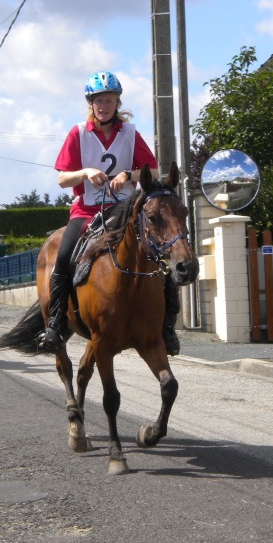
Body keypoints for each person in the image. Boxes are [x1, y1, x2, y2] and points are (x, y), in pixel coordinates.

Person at [39, 70, 181, 356]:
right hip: (86, 212)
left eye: (110, 100)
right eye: (99, 101)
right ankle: (55, 325)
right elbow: (62, 179)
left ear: (118, 104)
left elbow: (153, 171)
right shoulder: (77, 133)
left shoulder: (130, 133)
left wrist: (128, 174)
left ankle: (167, 327)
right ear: (91, 104)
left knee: (159, 259)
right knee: (62, 260)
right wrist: (86, 172)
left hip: (124, 212)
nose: (104, 106)